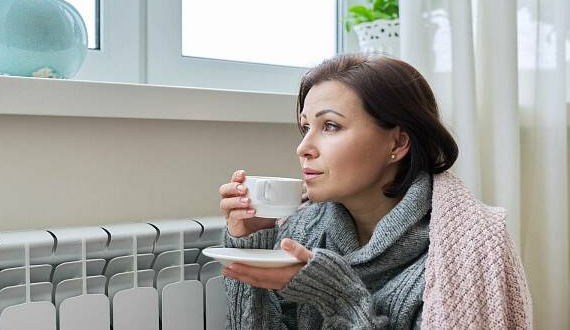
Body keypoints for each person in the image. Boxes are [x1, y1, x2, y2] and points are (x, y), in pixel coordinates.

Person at [218, 54, 532, 329]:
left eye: (330, 126)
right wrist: (252, 247)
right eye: (305, 128)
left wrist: (338, 297)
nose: (303, 148)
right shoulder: (300, 232)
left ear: (397, 143)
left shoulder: (466, 251)